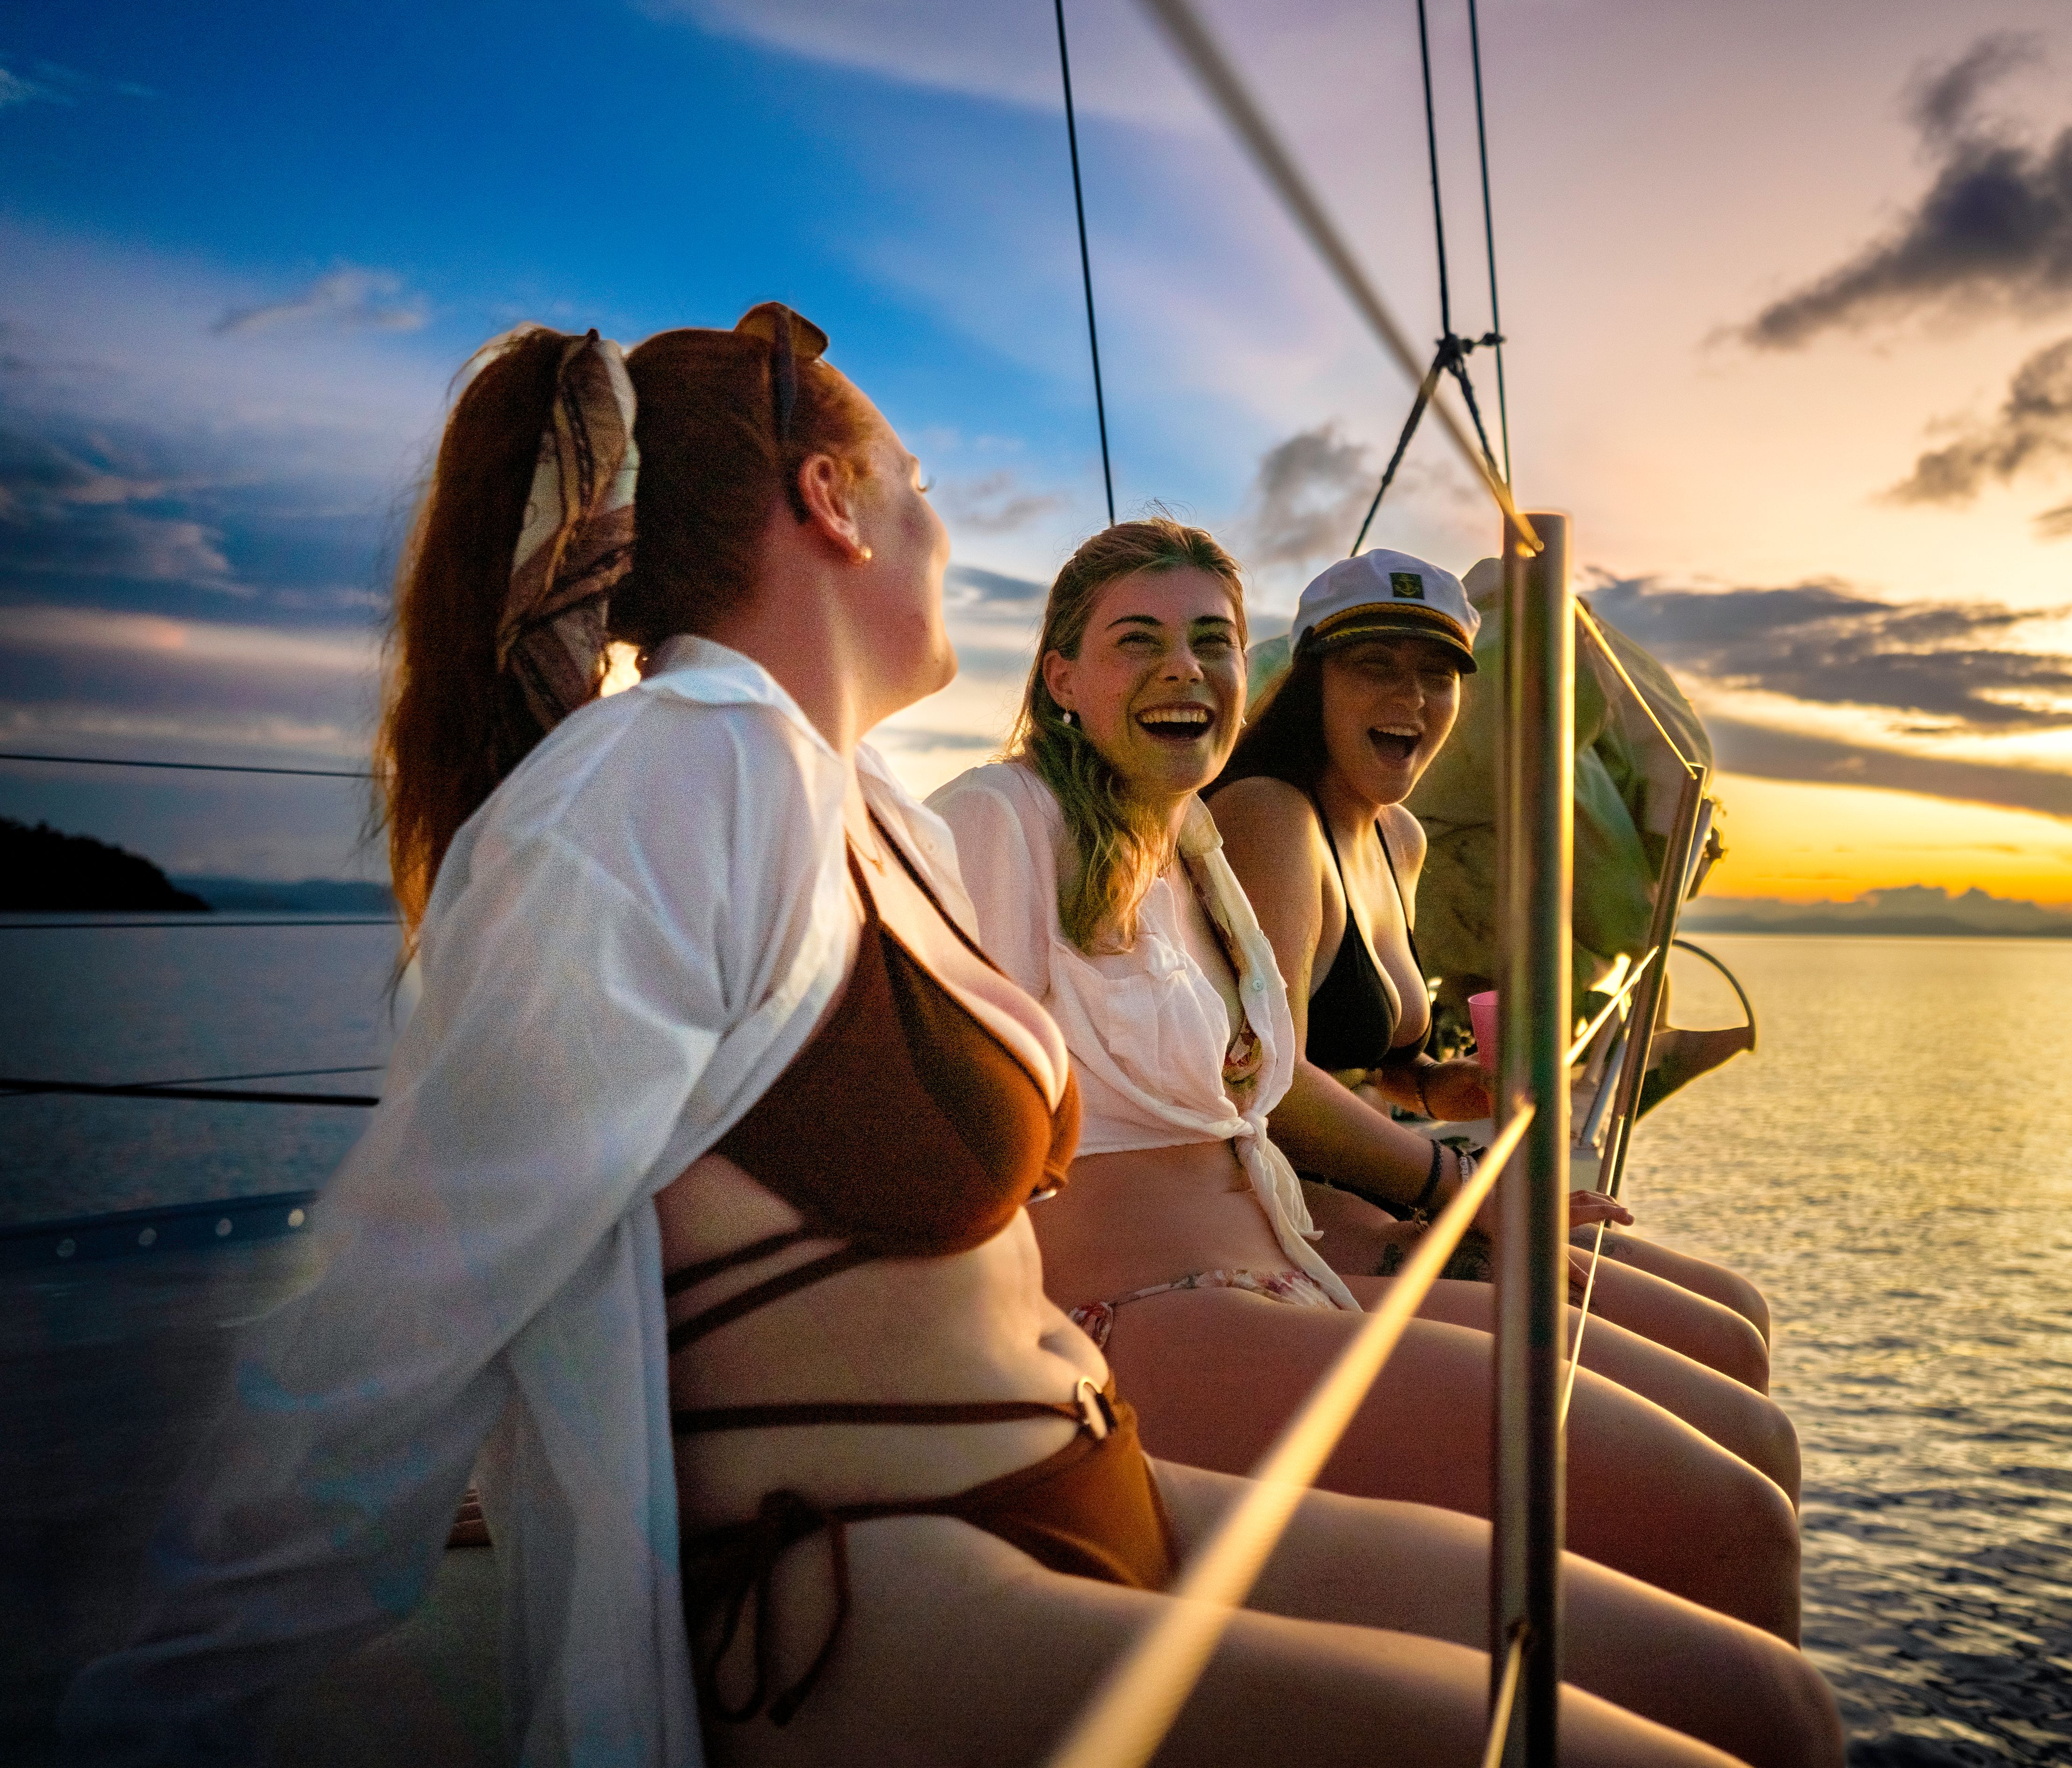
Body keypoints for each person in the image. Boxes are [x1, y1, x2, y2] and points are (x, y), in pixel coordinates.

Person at [56, 313, 1839, 1768]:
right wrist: (152, 1724)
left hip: (1094, 1479)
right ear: (830, 499)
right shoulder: (673, 777)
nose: (938, 529)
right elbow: (387, 1322)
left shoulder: (860, 807)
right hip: (884, 1592)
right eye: (915, 489)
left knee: (1755, 1701)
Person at [928, 522, 1805, 1642]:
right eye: (1137, 639)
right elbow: (948, 1110)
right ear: (1061, 676)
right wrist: (1451, 1187)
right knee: (1728, 1505)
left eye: (1211, 641)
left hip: (1282, 1256)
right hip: (1148, 1310)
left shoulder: (1190, 846)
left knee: (1737, 1407)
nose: (1183, 668)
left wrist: (1448, 1108)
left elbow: (1255, 1083)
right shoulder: (1018, 818)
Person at [1204, 550, 1784, 1406]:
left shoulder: (1399, 838)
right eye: (1376, 667)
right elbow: (1274, 1084)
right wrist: (1466, 1188)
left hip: (1382, 1180)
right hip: (1283, 1203)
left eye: (1439, 675)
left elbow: (1375, 1062)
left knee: (1739, 1317)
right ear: (1312, 679)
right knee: (1717, 1376)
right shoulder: (1270, 816)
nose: (1412, 698)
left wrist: (1449, 1088)